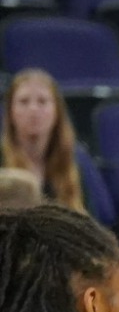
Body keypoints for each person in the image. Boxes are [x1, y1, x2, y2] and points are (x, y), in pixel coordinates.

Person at [2, 70, 84, 214]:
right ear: (10, 112)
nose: (33, 109)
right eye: (23, 101)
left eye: (42, 101)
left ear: (57, 111)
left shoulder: (74, 160)